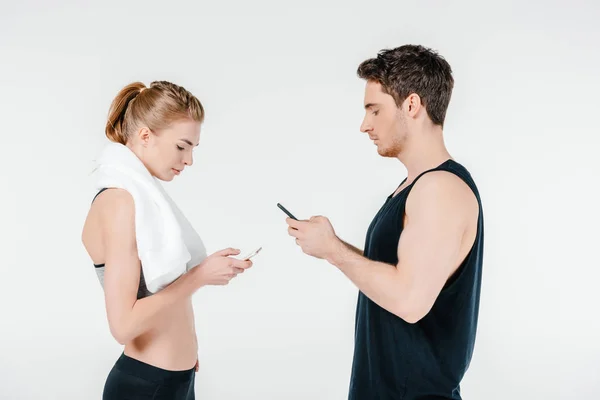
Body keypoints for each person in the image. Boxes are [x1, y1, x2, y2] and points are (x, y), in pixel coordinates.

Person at [285, 45, 484, 399]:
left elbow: (409, 300)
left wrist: (333, 251)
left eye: (374, 110)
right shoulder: (413, 187)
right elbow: (400, 272)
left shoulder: (440, 188)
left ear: (411, 105)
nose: (365, 125)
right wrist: (332, 244)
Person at [82, 81, 253, 400]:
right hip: (146, 387)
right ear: (146, 135)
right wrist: (200, 276)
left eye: (193, 148)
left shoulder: (141, 199)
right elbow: (123, 325)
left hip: (172, 382)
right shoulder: (120, 202)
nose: (189, 160)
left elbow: (163, 296)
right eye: (182, 146)